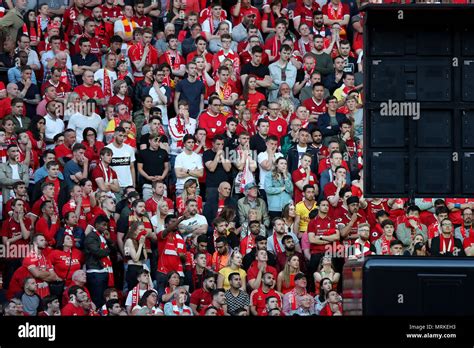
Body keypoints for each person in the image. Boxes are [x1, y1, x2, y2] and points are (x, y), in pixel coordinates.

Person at [84, 215, 114, 308]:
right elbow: (97, 252)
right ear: (96, 225)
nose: (105, 228)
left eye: (107, 226)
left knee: (103, 299)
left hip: (104, 271)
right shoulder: (91, 237)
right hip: (95, 272)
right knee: (98, 299)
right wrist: (109, 250)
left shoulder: (102, 236)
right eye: (103, 225)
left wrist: (108, 240)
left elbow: (113, 249)